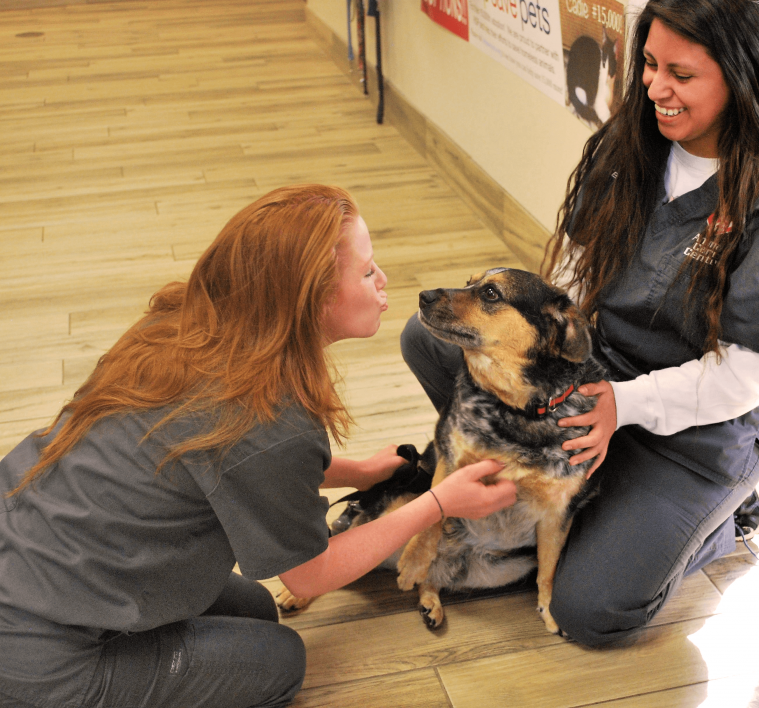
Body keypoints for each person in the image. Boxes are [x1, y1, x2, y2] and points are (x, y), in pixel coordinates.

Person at [0, 184, 517, 708]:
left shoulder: (180, 322)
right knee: (280, 662)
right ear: (310, 298)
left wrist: (355, 472)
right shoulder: (272, 415)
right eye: (366, 272)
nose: (384, 281)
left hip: (30, 546)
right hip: (40, 656)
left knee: (255, 610)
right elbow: (310, 571)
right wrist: (439, 503)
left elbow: (230, 462)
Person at [400, 0, 759, 646]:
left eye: (680, 73)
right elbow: (567, 280)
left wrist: (625, 404)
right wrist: (560, 380)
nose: (654, 87)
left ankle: (727, 519)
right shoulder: (629, 146)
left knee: (587, 610)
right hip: (597, 383)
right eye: (648, 64)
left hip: (696, 440)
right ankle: (571, 499)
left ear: (739, 74)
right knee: (429, 339)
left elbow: (752, 373)